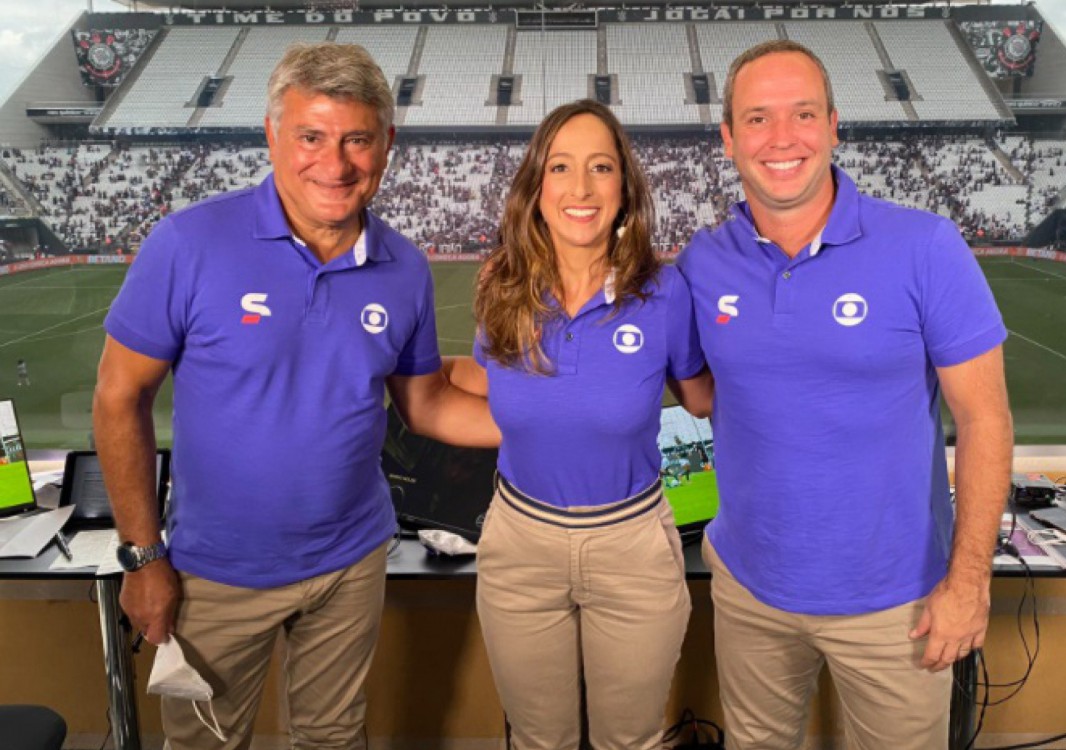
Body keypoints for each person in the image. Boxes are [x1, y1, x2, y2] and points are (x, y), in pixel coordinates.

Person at [92, 42, 497, 749]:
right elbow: (118, 398)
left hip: (353, 561)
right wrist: (143, 556)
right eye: (311, 137)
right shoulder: (188, 243)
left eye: (357, 140)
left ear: (387, 144)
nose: (335, 165)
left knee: (335, 737)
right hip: (216, 572)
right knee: (206, 744)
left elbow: (426, 404)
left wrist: (558, 417)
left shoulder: (404, 267)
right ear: (272, 134)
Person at [676, 40, 1013, 749]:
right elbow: (700, 393)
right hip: (748, 587)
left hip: (897, 602)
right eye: (758, 118)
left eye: (803, 114)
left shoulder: (925, 247)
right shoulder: (703, 261)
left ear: (833, 125)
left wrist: (969, 583)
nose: (782, 137)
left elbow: (986, 419)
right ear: (729, 139)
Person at [442, 99, 711, 750]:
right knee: (539, 740)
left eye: (601, 167)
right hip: (520, 542)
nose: (581, 188)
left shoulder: (665, 293)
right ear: (536, 187)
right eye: (560, 167)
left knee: (631, 741)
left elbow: (704, 398)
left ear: (625, 188)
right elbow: (503, 388)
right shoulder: (500, 285)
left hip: (632, 544)